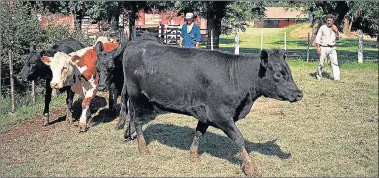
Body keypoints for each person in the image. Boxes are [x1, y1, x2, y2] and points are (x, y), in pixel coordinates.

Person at [315, 14, 340, 81]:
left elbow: (337, 38)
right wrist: (318, 47)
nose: (328, 22)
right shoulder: (322, 27)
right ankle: (319, 76)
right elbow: (318, 37)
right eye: (327, 20)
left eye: (330, 20)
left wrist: (336, 31)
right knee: (321, 63)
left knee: (335, 63)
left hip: (332, 48)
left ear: (333, 21)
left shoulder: (335, 27)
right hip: (323, 47)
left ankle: (336, 78)